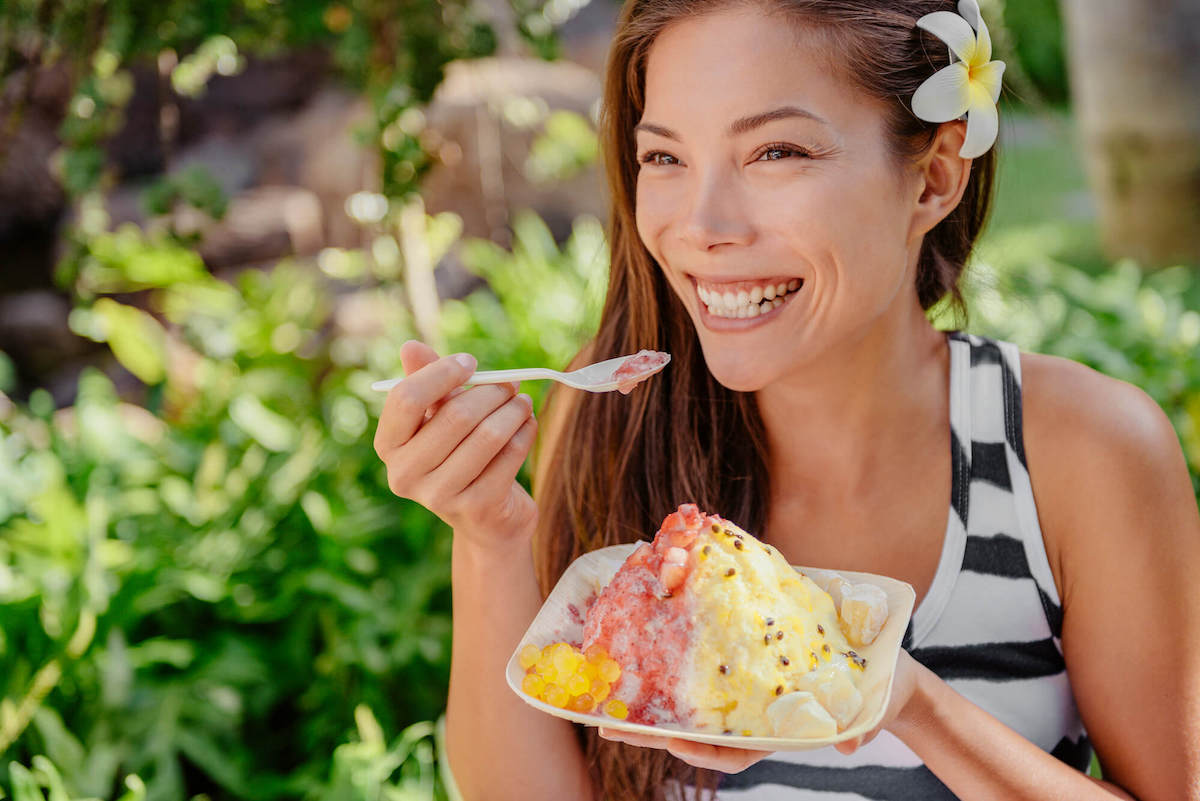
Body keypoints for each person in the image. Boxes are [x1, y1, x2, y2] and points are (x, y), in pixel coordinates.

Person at [372, 0, 1200, 798]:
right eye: (664, 157)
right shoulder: (612, 413)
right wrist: (489, 540)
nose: (702, 225)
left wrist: (903, 701)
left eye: (777, 153)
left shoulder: (1082, 452)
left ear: (934, 179)